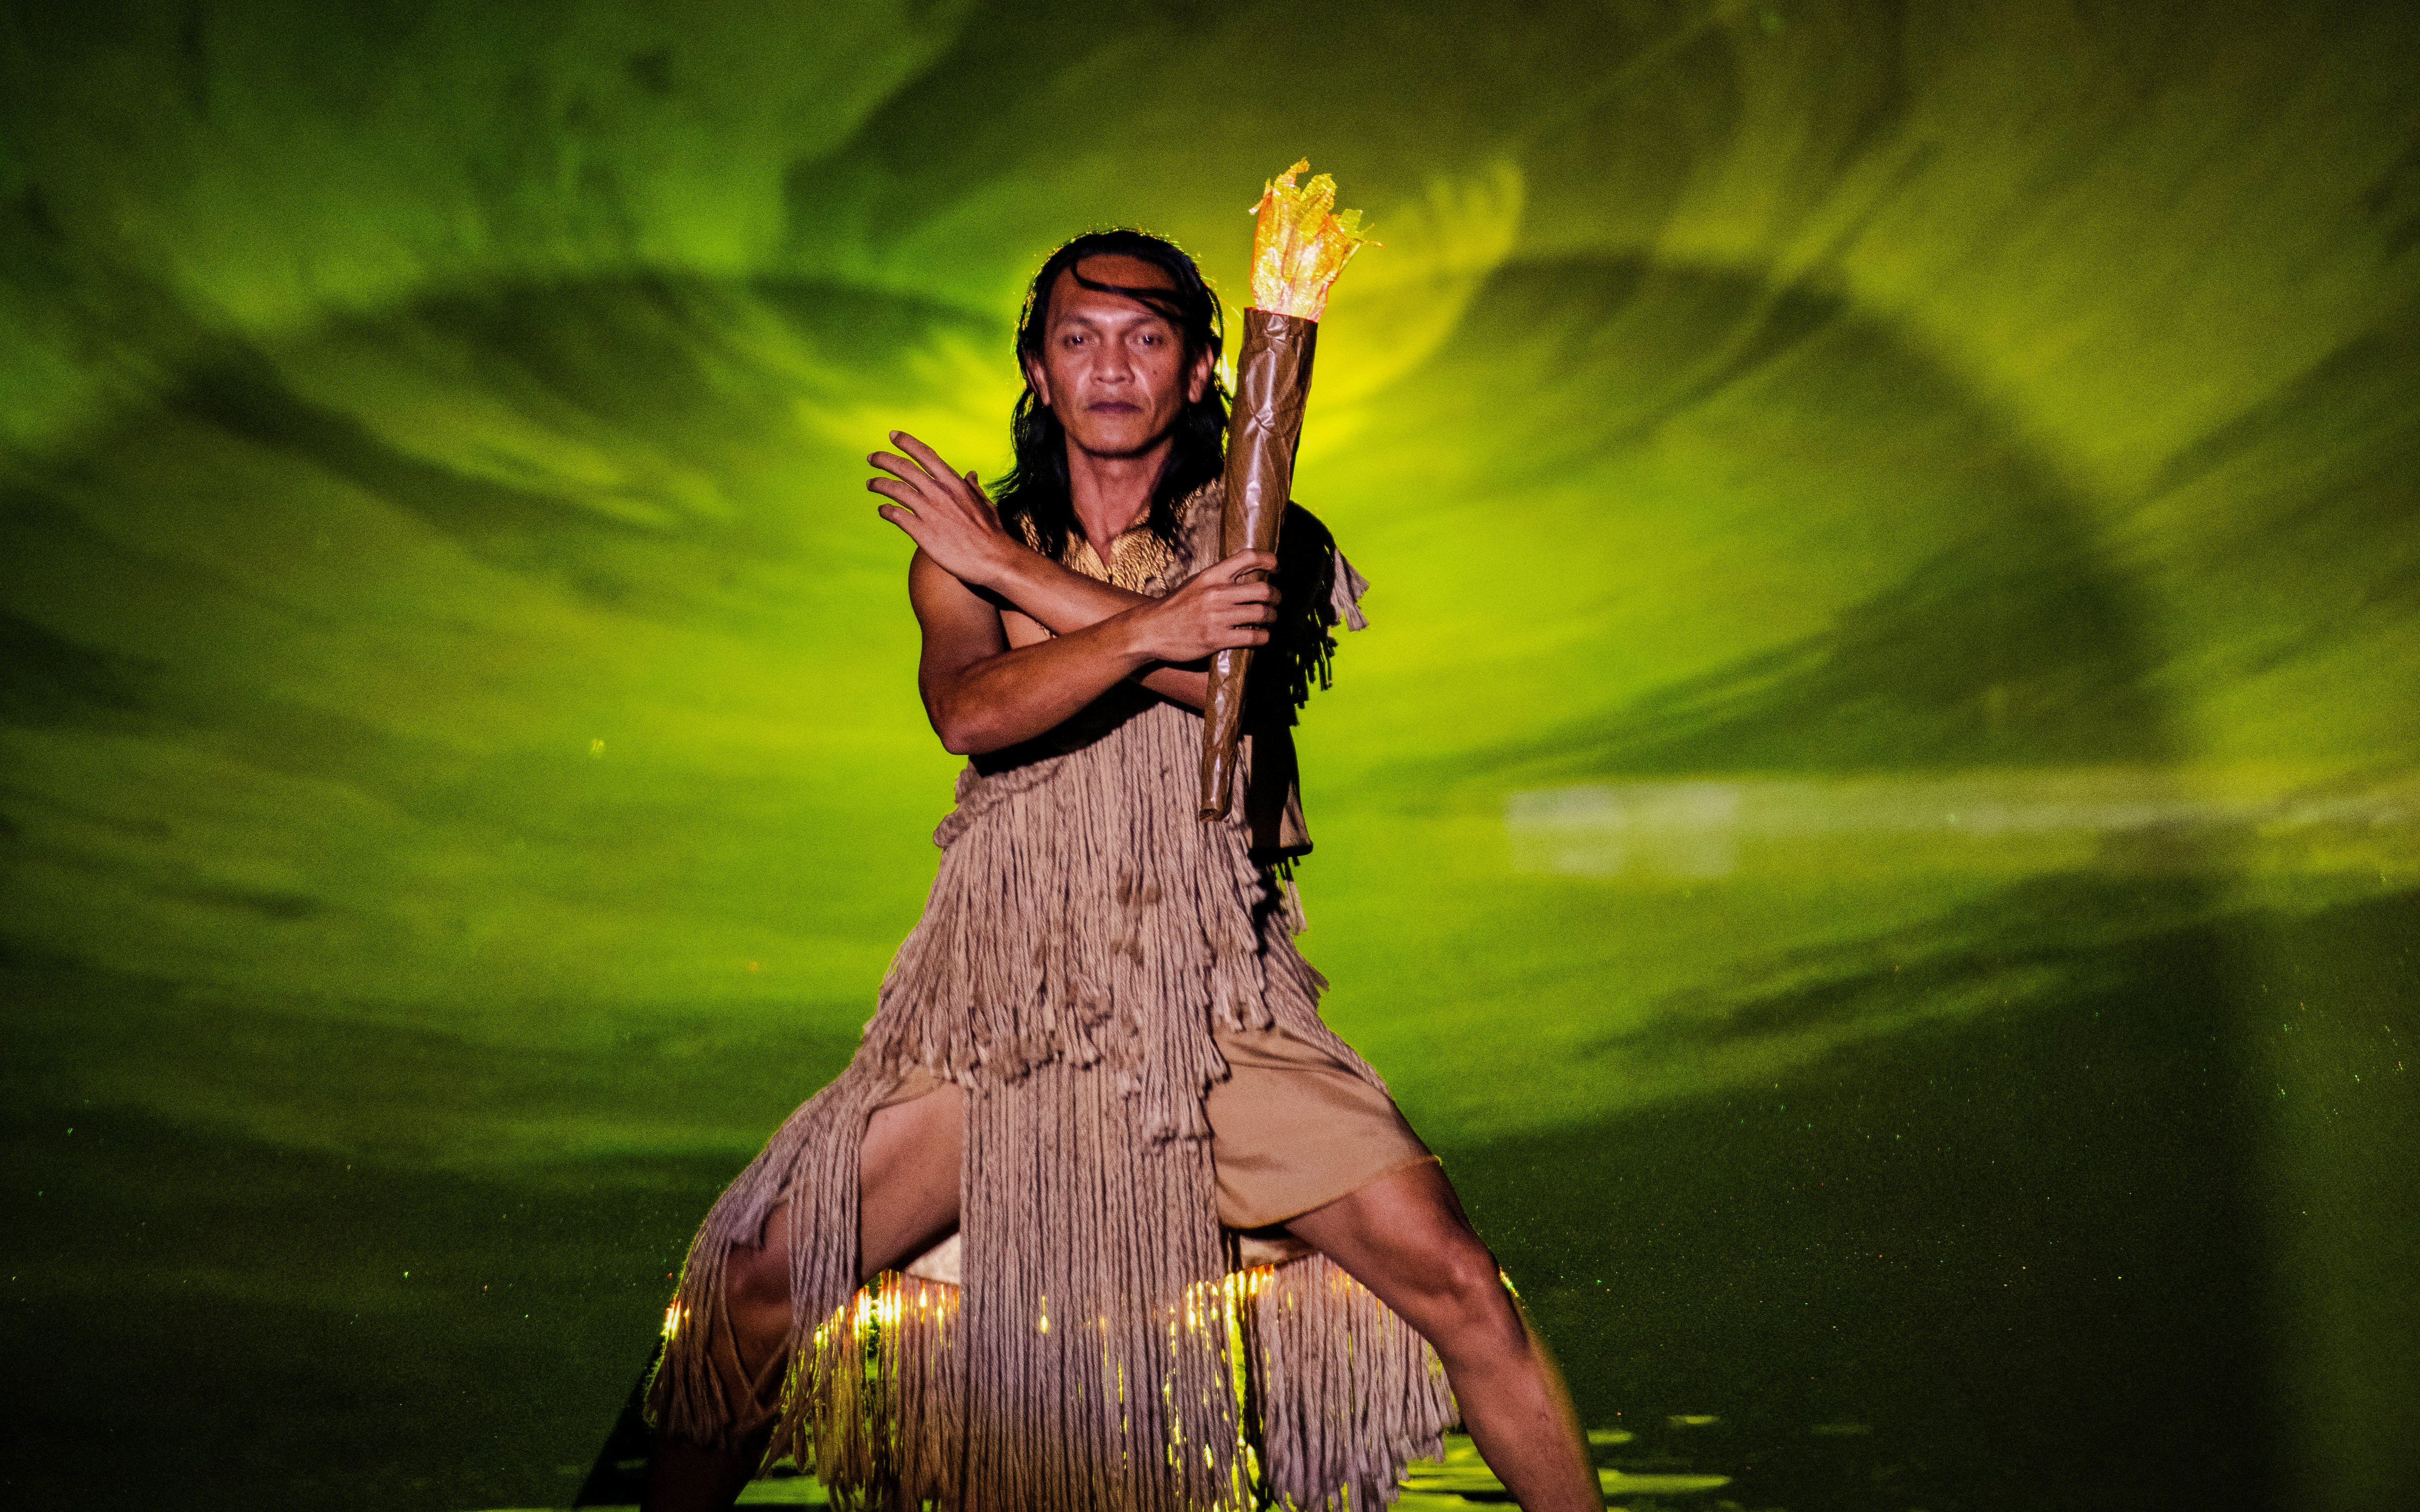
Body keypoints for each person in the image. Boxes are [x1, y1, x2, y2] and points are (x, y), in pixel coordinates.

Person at [644, 229, 1601, 1512]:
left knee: (1464, 1286)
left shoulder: (1258, 532)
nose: (1111, 367)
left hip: (1211, 1011)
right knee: (753, 1291)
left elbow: (1234, 695)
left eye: (1147, 337)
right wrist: (1111, 610)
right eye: (1079, 338)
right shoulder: (965, 549)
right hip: (1001, 1008)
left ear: (1205, 371)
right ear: (1037, 369)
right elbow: (973, 711)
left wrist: (1027, 577)